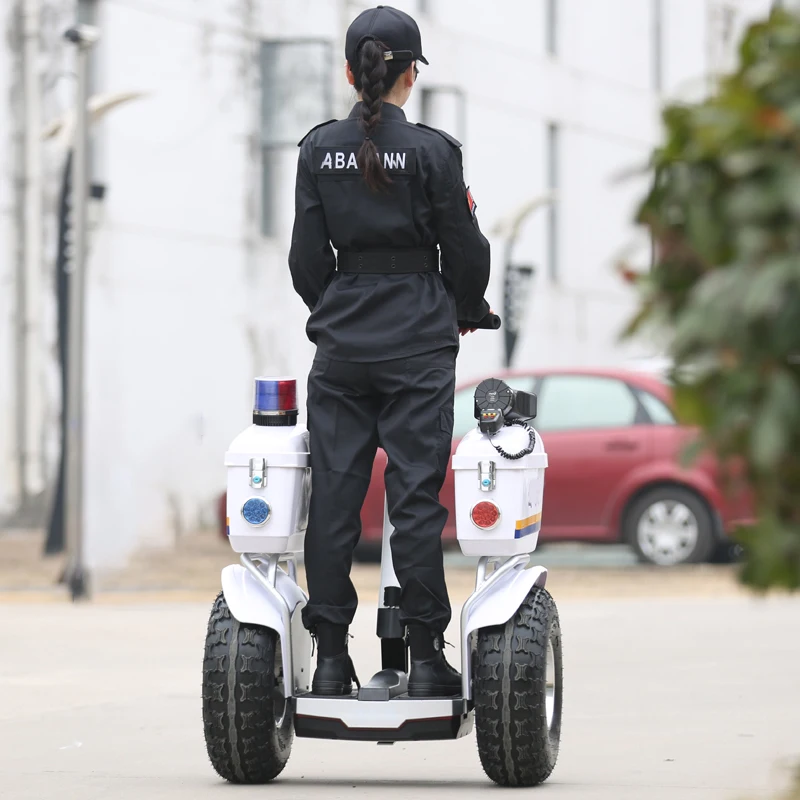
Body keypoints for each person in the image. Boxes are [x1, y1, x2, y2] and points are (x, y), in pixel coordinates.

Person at [289, 4, 492, 698]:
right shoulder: (435, 152)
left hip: (342, 350)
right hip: (418, 345)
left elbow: (305, 260)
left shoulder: (317, 150)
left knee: (333, 503)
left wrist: (338, 309)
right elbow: (465, 249)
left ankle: (328, 661)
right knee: (414, 503)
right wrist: (465, 308)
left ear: (352, 73)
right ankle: (427, 660)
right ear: (410, 75)